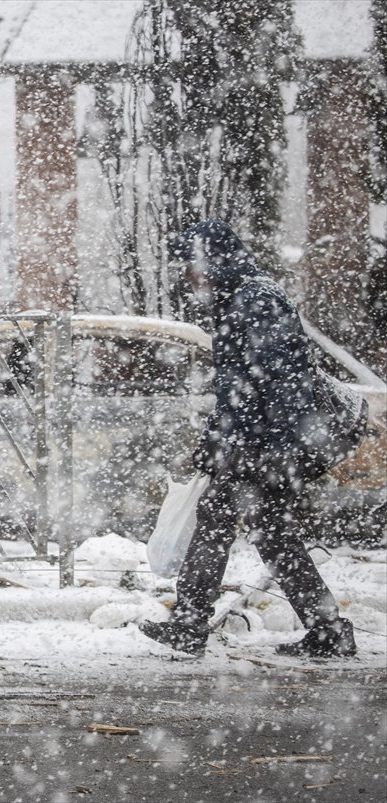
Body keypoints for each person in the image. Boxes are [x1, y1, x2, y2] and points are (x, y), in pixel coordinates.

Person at [139, 220, 357, 659]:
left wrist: (258, 447)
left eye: (192, 265)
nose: (189, 275)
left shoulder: (254, 301)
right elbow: (243, 388)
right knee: (271, 533)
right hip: (265, 444)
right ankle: (328, 629)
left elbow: (274, 385)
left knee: (218, 520)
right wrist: (219, 441)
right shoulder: (245, 297)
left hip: (266, 446)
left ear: (212, 260)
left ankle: (189, 622)